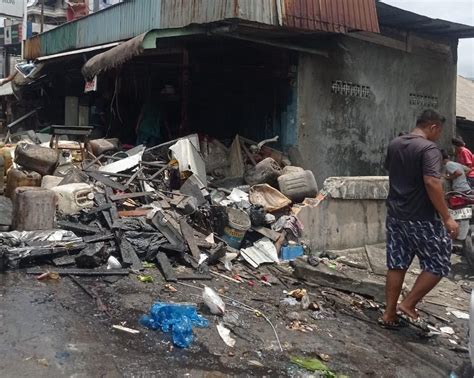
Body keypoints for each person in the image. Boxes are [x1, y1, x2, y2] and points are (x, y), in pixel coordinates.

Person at [380, 109, 459, 329]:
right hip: (421, 217)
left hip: (396, 214)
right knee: (439, 261)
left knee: (397, 264)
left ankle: (389, 314)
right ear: (433, 127)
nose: (438, 136)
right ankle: (408, 304)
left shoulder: (395, 144)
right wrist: (447, 217)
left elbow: (396, 173)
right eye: (439, 131)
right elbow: (432, 183)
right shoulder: (429, 149)